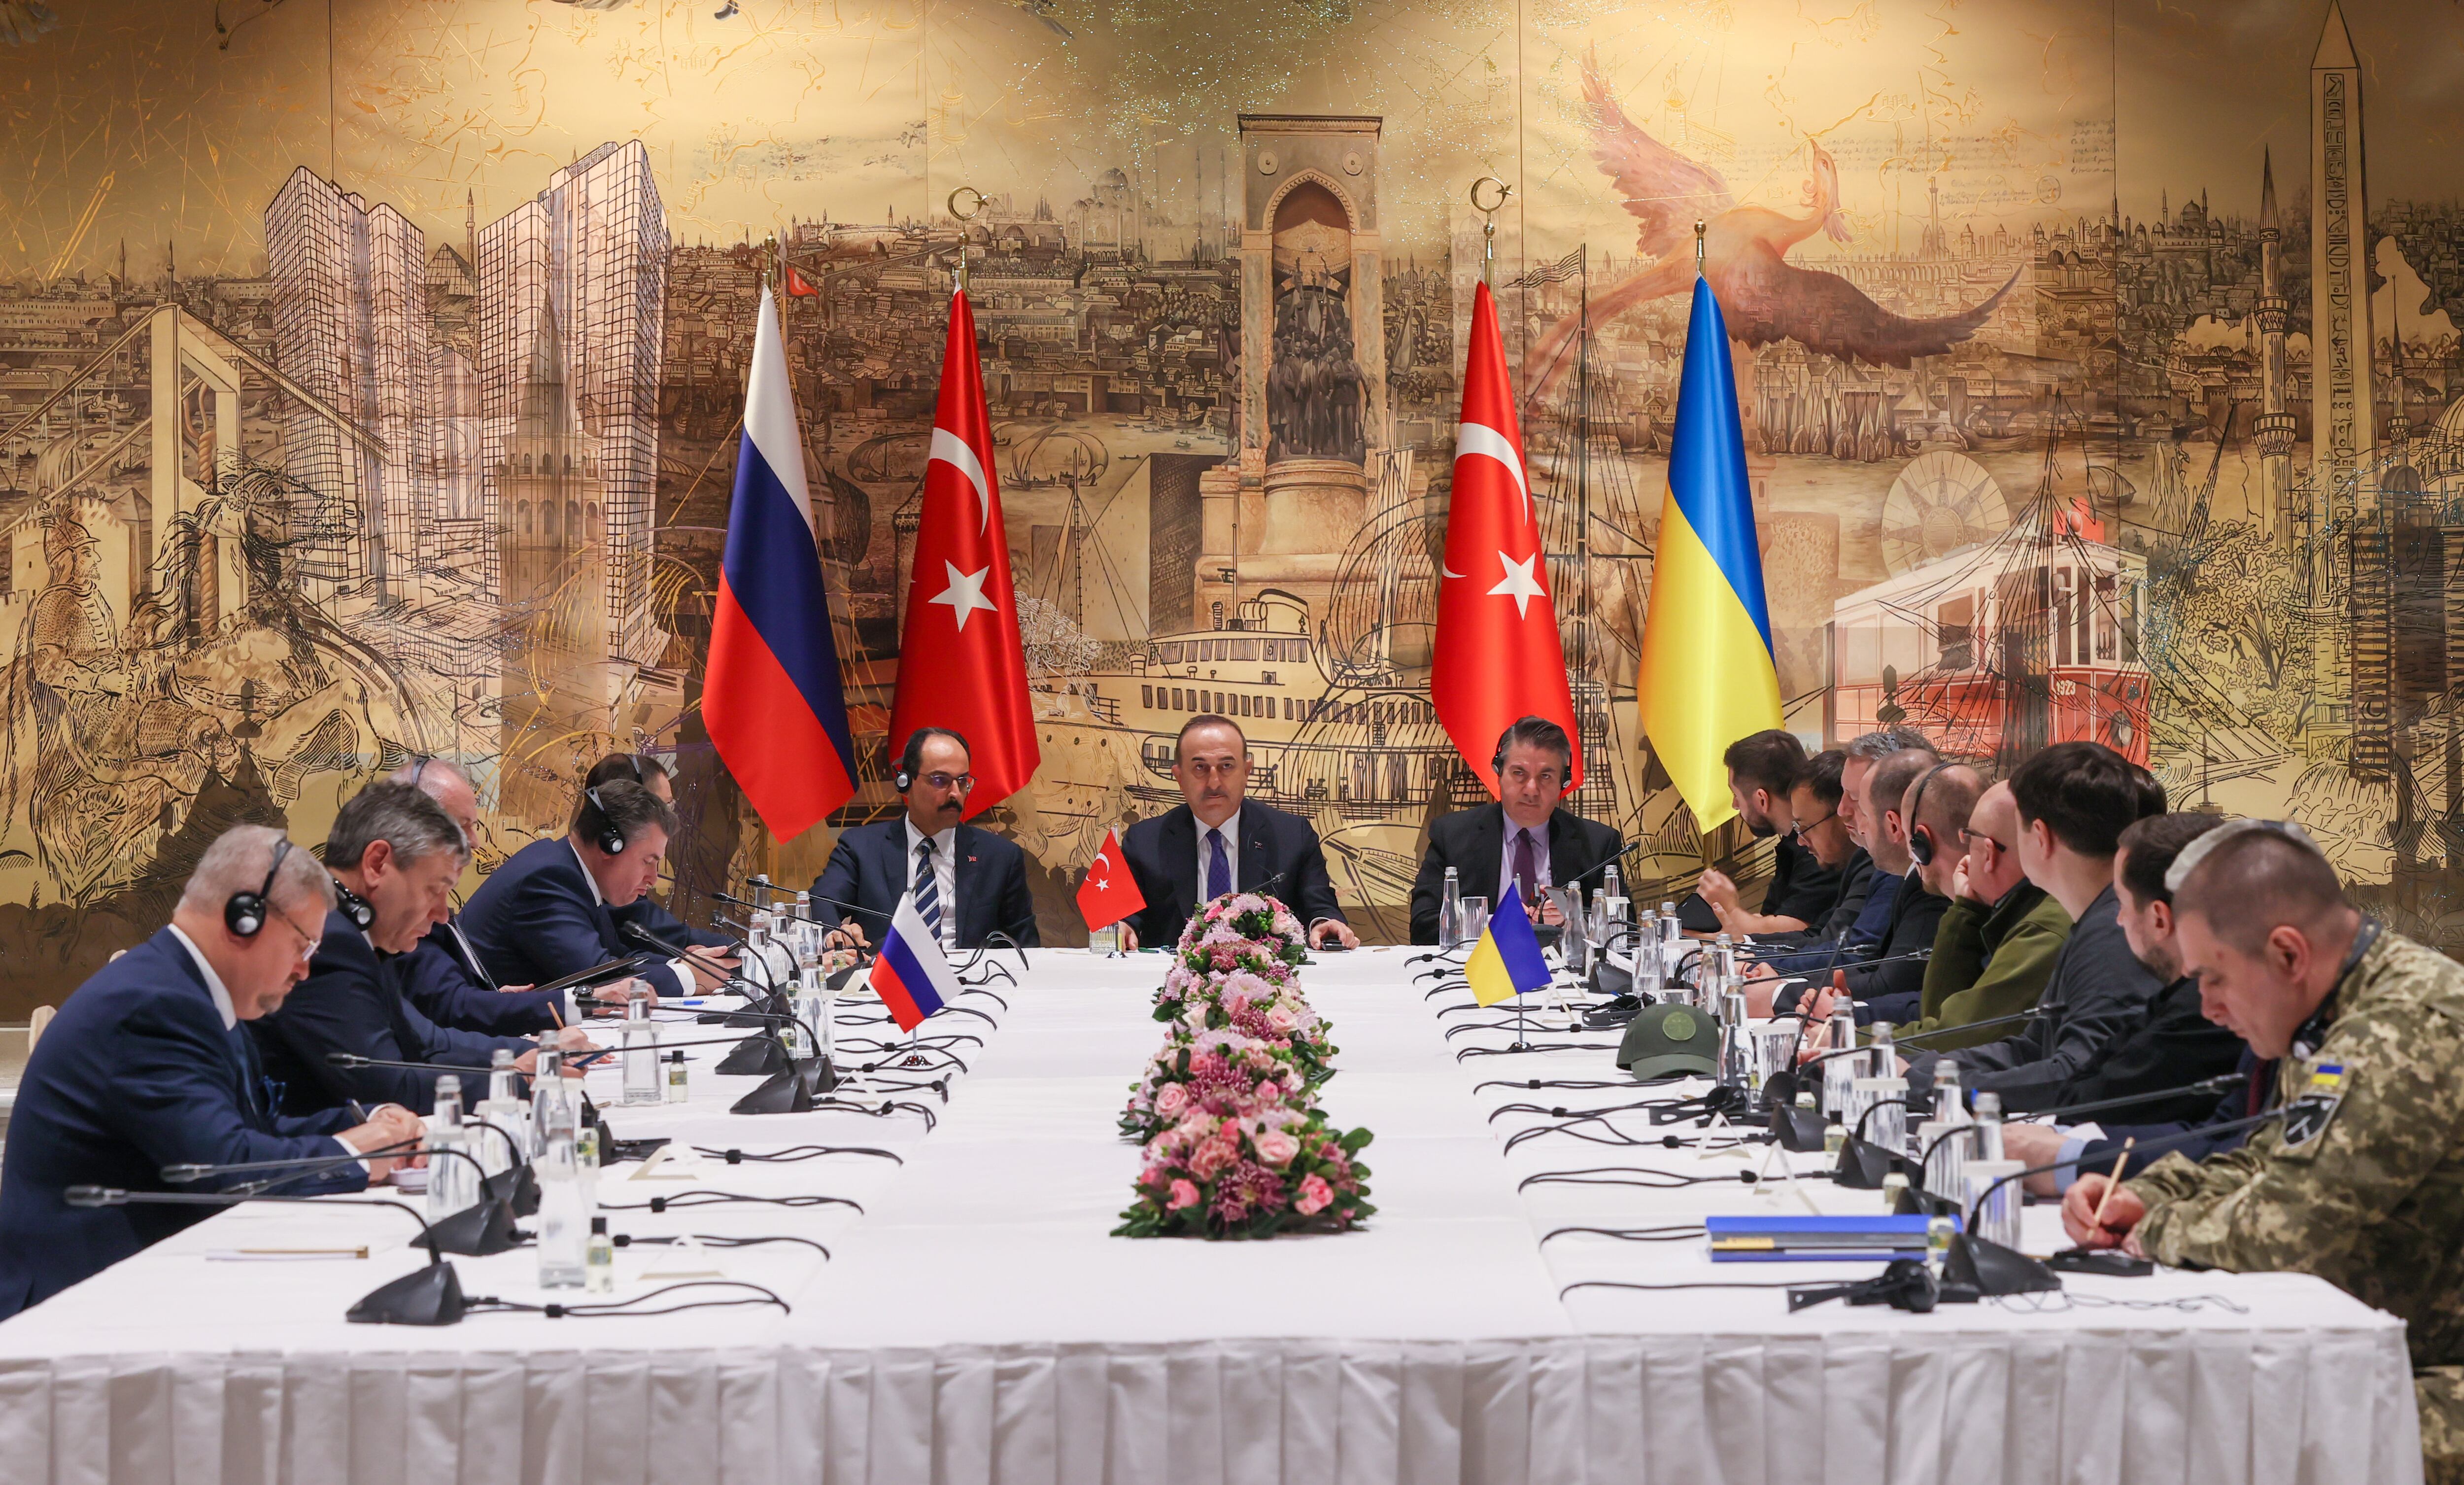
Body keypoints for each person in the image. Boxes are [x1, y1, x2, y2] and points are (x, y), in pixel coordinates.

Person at [2064, 821, 2464, 1485]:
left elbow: (2288, 1230)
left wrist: (2147, 1228)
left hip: (2438, 1381)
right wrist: (2148, 1192)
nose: (2208, 1007)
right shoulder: (2336, 1016)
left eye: (2214, 978)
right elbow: (2271, 1159)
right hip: (2390, 1350)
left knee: (2208, 1438)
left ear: (2287, 954)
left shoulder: (2400, 1032)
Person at [0, 826, 423, 1319]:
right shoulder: (152, 1006)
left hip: (136, 1280)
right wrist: (355, 1153)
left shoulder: (192, 991)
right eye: (303, 946)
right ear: (244, 919)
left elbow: (251, 1130)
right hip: (70, 1307)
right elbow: (224, 1169)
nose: (305, 970)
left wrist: (373, 1121)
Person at [252, 783, 592, 1116]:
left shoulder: (355, 928)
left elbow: (427, 1042)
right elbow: (387, 1085)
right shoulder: (327, 937)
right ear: (377, 863)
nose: (443, 914)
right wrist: (518, 1080)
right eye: (435, 889)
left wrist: (540, 1052)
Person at [1902, 740, 2165, 1108]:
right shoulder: (2096, 916)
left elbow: (2076, 1072)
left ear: (2040, 837)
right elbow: (2033, 1046)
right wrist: (1921, 1070)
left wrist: (1934, 1084)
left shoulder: (2113, 930)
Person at [2002, 810, 2247, 1195]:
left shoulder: (2206, 1009)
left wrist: (2075, 1160)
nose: (2215, 1005)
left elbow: (2234, 1155)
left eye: (2120, 901)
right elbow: (2224, 1141)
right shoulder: (2191, 995)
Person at [387, 756, 627, 1036]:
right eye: (463, 825)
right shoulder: (395, 913)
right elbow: (451, 1010)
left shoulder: (416, 903)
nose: (475, 841)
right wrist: (577, 1006)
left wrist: (495, 997)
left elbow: (443, 1005)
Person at [1115, 715, 1355, 951]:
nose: (1214, 783)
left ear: (1247, 770)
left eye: (1227, 766)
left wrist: (1325, 923)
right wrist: (1123, 927)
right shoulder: (1145, 841)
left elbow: (1320, 906)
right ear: (1179, 776)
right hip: (1175, 978)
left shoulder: (1292, 836)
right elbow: (1127, 915)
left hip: (1268, 980)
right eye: (1200, 768)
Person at [462, 780, 718, 996]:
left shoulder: (572, 872)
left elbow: (618, 955)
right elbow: (599, 975)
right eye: (647, 862)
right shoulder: (548, 880)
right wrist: (689, 976)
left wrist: (682, 963)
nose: (653, 879)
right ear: (610, 845)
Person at [810, 727, 1040, 952]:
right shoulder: (861, 847)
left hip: (973, 982)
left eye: (962, 782)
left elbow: (1024, 944)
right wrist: (835, 935)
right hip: (888, 981)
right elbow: (823, 901)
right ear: (906, 783)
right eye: (940, 780)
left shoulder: (1000, 857)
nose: (955, 794)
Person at [1408, 717, 1624, 945]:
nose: (1531, 790)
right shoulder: (1451, 835)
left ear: (1564, 782)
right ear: (1499, 773)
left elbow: (1624, 931)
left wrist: (1573, 921)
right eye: (1519, 773)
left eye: (1546, 776)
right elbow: (1423, 926)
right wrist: (1494, 924)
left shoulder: (1598, 843)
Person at [1892, 779, 2072, 1049]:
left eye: (1968, 837)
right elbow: (1939, 1018)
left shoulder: (2044, 928)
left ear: (1988, 854)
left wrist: (1848, 1041)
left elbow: (1951, 1040)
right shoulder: (2027, 910)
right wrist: (1967, 911)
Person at [1779, 749, 1949, 1021]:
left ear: (1894, 824)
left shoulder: (1932, 889)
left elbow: (1882, 975)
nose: (1844, 813)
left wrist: (1780, 992)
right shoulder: (1902, 874)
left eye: (1859, 804)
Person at [584, 752, 739, 959]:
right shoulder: (563, 881)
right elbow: (600, 969)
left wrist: (682, 964)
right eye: (664, 808)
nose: (671, 819)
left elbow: (624, 958)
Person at [1695, 730, 1835, 936]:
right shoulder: (1791, 843)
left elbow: (1794, 931)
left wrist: (1730, 909)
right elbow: (1772, 919)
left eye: (1736, 795)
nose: (1735, 805)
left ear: (1762, 799)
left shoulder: (1819, 848)